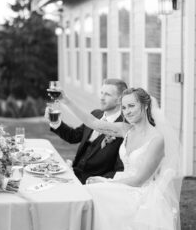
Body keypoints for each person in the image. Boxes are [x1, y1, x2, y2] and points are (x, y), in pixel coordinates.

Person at [59, 87, 182, 230]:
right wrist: (66, 101)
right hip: (122, 183)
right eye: (124, 107)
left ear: (145, 106)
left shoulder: (156, 140)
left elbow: (139, 180)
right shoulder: (126, 129)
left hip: (139, 192)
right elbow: (93, 123)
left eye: (131, 106)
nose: (127, 111)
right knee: (87, 195)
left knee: (90, 193)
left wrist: (106, 182)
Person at [45, 78, 128, 184]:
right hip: (72, 174)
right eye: (101, 93)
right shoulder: (95, 114)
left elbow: (119, 170)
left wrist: (94, 182)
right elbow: (74, 136)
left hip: (92, 186)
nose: (101, 98)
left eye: (107, 95)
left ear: (120, 100)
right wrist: (55, 122)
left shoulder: (124, 129)